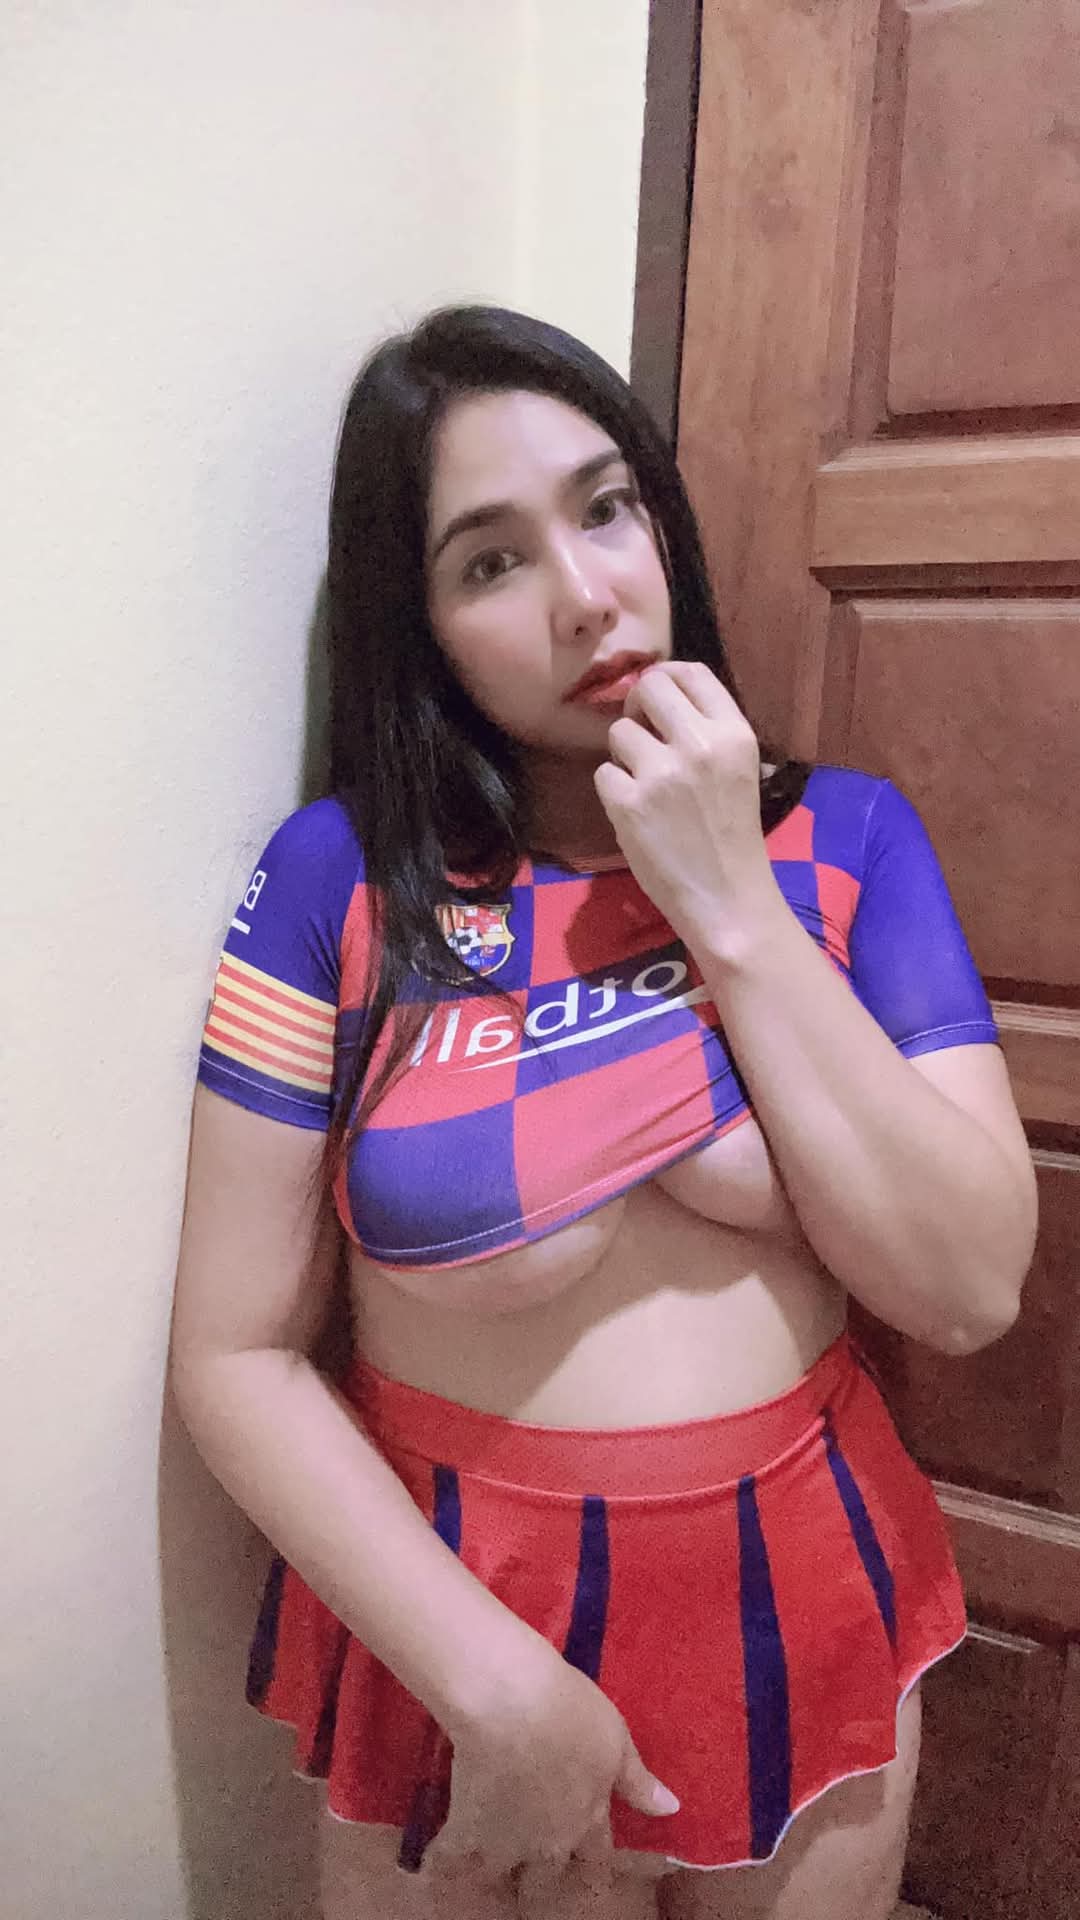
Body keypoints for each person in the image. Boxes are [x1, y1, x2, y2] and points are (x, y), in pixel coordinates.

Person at [170, 306, 1037, 1920]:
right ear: (420, 621)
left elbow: (970, 1286)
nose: (586, 594)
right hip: (452, 1626)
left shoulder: (849, 840)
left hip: (802, 1589)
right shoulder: (336, 882)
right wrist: (492, 1684)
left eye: (608, 507)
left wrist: (733, 904)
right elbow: (234, 1356)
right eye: (491, 562)